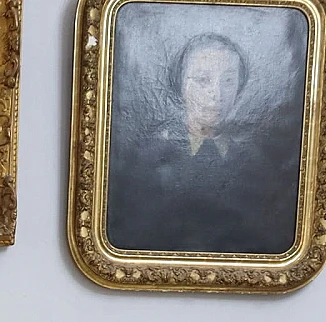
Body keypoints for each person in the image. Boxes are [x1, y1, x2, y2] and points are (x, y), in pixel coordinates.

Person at [106, 30, 304, 256]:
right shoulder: (148, 158)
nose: (216, 94)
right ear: (180, 84)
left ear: (239, 88)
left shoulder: (257, 163)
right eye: (202, 80)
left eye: (228, 81)